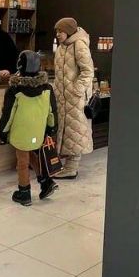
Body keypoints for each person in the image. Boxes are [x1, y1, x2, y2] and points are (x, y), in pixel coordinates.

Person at [0, 50, 58, 206]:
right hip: (38, 132)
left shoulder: (15, 90)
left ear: (20, 65)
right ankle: (45, 182)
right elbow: (52, 111)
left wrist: (2, 132)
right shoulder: (47, 88)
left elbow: (8, 114)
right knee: (30, 152)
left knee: (22, 162)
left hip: (21, 132)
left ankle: (24, 193)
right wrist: (52, 128)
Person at [52, 17, 95, 179]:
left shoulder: (79, 45)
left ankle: (71, 168)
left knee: (75, 131)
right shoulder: (62, 47)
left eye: (61, 31)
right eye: (57, 31)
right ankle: (67, 166)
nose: (58, 34)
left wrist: (76, 89)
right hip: (63, 97)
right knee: (67, 130)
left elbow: (88, 71)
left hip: (75, 98)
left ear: (69, 31)